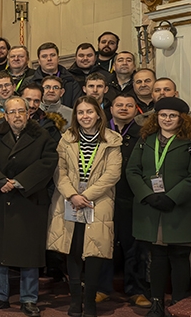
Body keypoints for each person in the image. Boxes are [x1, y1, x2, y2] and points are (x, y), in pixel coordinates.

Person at [0, 97, 59, 317]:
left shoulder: (42, 137)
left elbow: (48, 162)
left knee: (29, 253)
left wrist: (20, 181)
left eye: (21, 111)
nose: (17, 116)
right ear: (5, 114)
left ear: (28, 113)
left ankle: (29, 299)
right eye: (12, 112)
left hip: (29, 200)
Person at [46, 95, 122, 317]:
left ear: (98, 114)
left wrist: (85, 196)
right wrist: (72, 195)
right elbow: (59, 171)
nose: (85, 116)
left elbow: (112, 174)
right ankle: (74, 300)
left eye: (89, 111)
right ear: (75, 116)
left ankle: (90, 301)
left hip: (97, 202)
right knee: (73, 251)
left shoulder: (112, 140)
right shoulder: (66, 139)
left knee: (94, 253)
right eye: (80, 112)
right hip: (69, 202)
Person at [126, 96, 191, 315]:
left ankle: (178, 303)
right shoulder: (146, 139)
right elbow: (132, 170)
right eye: (163, 115)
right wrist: (147, 195)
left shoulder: (190, 142)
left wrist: (172, 197)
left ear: (181, 118)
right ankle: (156, 302)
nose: (167, 119)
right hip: (151, 208)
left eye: (172, 116)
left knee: (180, 257)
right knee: (156, 256)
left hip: (180, 209)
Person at [107, 93, 151, 308]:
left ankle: (136, 289)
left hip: (131, 196)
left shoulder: (143, 134)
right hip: (103, 196)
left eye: (129, 105)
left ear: (136, 110)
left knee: (134, 245)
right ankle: (101, 288)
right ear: (111, 108)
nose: (124, 108)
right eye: (119, 105)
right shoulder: (101, 132)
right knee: (103, 244)